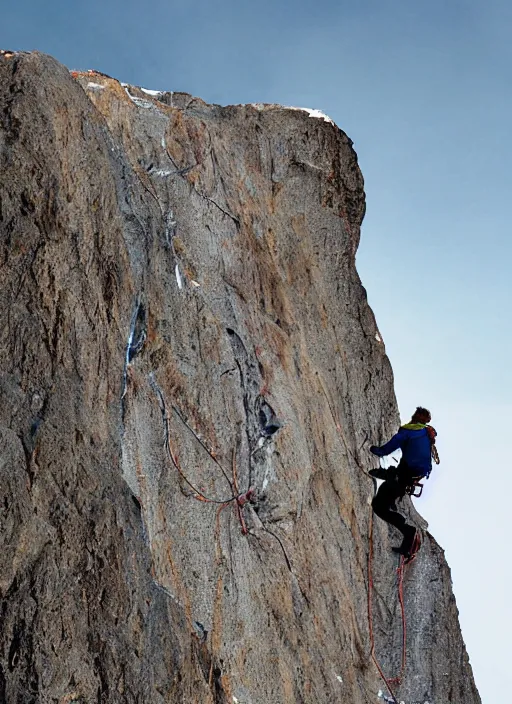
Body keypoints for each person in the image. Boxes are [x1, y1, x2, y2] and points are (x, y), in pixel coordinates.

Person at [369, 407, 438, 558]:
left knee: (379, 506)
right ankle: (388, 476)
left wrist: (377, 451)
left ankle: (409, 532)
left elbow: (391, 446)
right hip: (410, 476)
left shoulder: (409, 432)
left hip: (404, 475)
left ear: (416, 416)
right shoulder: (424, 433)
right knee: (390, 492)